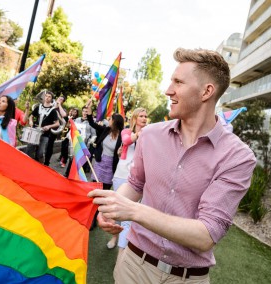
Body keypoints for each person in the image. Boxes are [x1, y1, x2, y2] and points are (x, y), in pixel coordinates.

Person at [88, 48, 256, 283]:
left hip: (187, 278)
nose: (168, 90)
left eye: (178, 82)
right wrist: (113, 210)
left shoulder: (238, 157)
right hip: (132, 266)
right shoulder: (150, 135)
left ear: (207, 91)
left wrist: (133, 211)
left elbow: (206, 234)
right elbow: (136, 183)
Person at [107, 108, 148, 251]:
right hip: (120, 175)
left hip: (136, 180)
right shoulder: (126, 132)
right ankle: (114, 237)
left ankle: (121, 252)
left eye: (145, 116)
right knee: (115, 209)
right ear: (135, 118)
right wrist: (138, 134)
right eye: (141, 116)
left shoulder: (149, 136)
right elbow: (126, 140)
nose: (144, 118)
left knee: (127, 218)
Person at [86, 100, 124, 189]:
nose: (108, 120)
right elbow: (91, 122)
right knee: (95, 186)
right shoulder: (105, 130)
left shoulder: (122, 136)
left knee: (105, 189)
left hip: (111, 166)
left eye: (110, 119)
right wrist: (89, 108)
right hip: (100, 161)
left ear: (115, 121)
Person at [27, 90, 60, 164]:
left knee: (40, 153)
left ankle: (41, 167)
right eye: (46, 96)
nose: (47, 98)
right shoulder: (38, 107)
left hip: (45, 134)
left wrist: (49, 126)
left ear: (51, 99)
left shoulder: (53, 111)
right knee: (29, 150)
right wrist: (31, 121)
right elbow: (31, 116)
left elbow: (57, 124)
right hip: (35, 131)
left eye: (49, 97)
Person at [44, 95, 67, 166]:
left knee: (49, 145)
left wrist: (59, 105)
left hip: (54, 129)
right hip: (45, 127)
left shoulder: (62, 109)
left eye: (62, 100)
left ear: (63, 102)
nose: (60, 99)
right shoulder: (51, 105)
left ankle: (46, 161)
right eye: (59, 98)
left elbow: (64, 115)